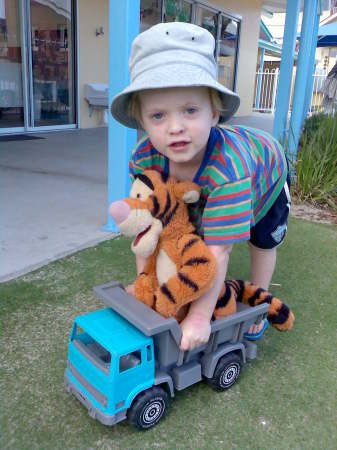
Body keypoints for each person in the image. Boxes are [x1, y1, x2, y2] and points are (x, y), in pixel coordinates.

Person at [110, 22, 291, 351]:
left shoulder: (230, 172)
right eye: (158, 116)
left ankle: (258, 308)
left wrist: (198, 315)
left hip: (266, 174)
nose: (175, 127)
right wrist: (145, 284)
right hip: (205, 184)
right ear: (141, 120)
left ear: (215, 112)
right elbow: (149, 228)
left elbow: (219, 250)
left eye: (190, 110)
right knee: (179, 228)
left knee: (260, 240)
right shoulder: (143, 160)